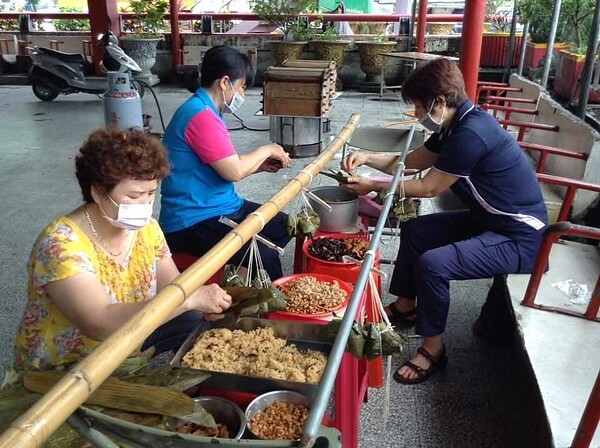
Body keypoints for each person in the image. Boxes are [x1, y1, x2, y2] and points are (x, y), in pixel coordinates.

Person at [342, 58, 547, 385]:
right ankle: (407, 305)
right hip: (489, 220)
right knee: (416, 230)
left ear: (438, 101)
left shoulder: (471, 134)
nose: (417, 115)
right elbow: (411, 162)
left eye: (418, 107)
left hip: (519, 236)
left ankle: (433, 348)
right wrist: (366, 158)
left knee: (434, 264)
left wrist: (371, 186)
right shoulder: (455, 124)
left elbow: (430, 186)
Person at [14, 128, 232, 371]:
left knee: (194, 321)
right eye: (134, 195)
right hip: (72, 365)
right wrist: (190, 299)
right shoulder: (61, 245)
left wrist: (199, 299)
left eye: (151, 193)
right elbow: (99, 322)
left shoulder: (146, 229)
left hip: (130, 338)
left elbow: (172, 285)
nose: (145, 204)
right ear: (98, 192)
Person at [159, 45, 292, 280]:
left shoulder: (208, 111)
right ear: (224, 82)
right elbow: (234, 171)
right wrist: (266, 149)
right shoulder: (200, 115)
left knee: (286, 225)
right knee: (265, 256)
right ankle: (268, 308)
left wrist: (258, 165)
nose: (242, 94)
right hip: (193, 220)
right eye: (242, 87)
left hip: (223, 206)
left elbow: (228, 165)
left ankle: (238, 281)